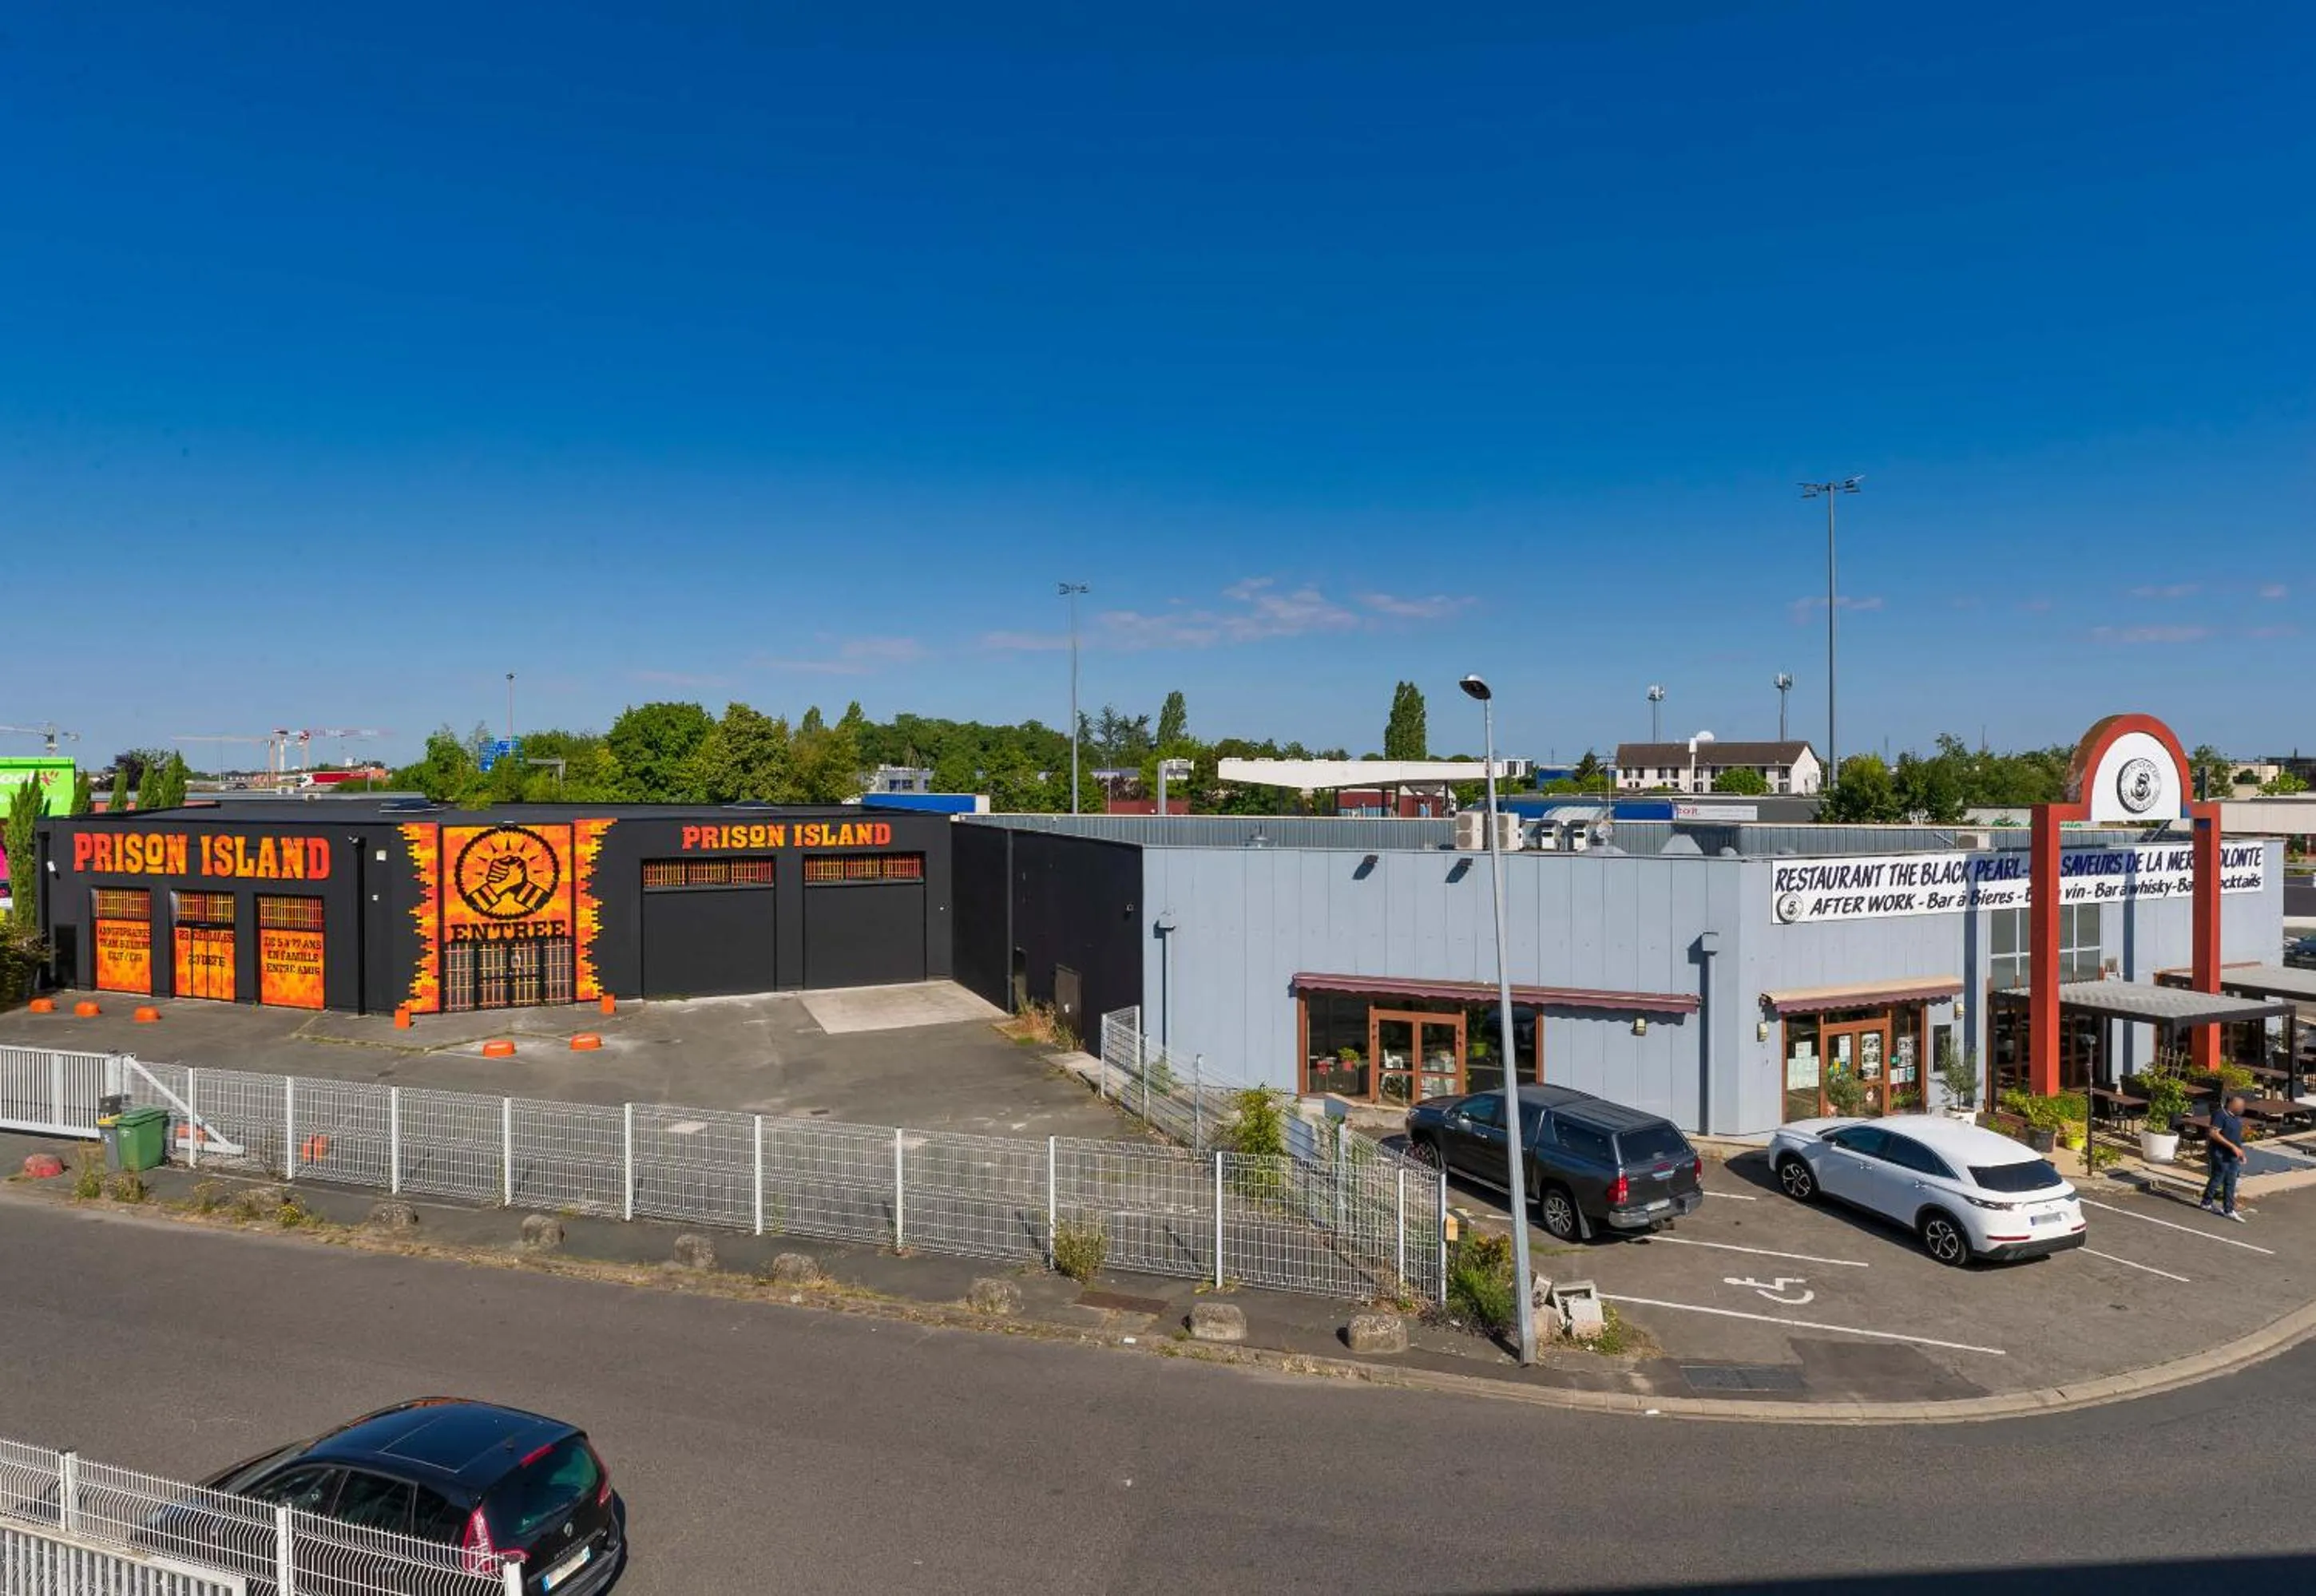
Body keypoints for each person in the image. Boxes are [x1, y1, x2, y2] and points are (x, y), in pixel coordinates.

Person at [2200, 1092, 2249, 1222]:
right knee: (2221, 1178)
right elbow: (2213, 1133)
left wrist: (2240, 1152)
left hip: (2232, 1155)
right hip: (2221, 1153)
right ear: (2232, 1104)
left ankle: (2221, 1206)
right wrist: (2232, 1147)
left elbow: (2236, 1138)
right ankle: (2215, 1204)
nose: (2243, 1108)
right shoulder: (2220, 1115)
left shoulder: (2236, 1118)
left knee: (2227, 1180)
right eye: (2240, 1105)